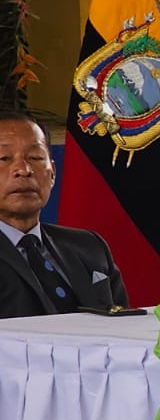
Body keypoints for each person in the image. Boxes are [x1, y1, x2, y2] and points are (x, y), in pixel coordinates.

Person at [0, 112, 128, 317]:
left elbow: (122, 330)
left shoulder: (89, 247)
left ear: (53, 174)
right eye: (4, 158)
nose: (23, 170)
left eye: (35, 158)